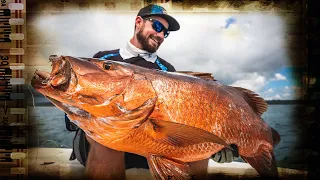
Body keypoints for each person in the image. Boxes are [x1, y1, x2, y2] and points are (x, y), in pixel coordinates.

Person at [65, 4, 238, 179]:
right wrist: (74, 112)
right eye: (157, 26)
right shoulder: (103, 59)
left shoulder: (167, 70)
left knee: (197, 148)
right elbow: (79, 96)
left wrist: (216, 144)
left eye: (166, 32)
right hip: (102, 140)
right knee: (107, 140)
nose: (161, 35)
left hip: (146, 144)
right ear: (138, 22)